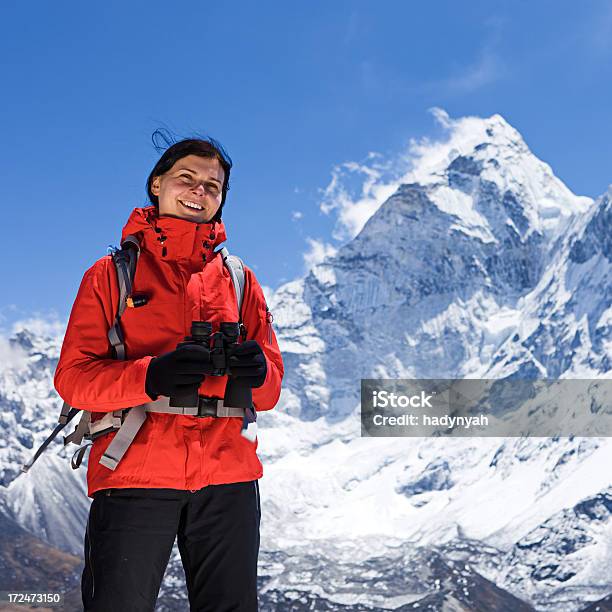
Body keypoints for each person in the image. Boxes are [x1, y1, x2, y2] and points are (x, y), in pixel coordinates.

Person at [53, 134, 284, 611]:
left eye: (213, 186)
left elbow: (270, 391)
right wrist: (150, 375)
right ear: (156, 184)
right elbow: (73, 378)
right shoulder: (111, 274)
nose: (200, 191)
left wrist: (257, 373)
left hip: (228, 476)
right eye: (187, 178)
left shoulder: (240, 280)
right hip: (135, 472)